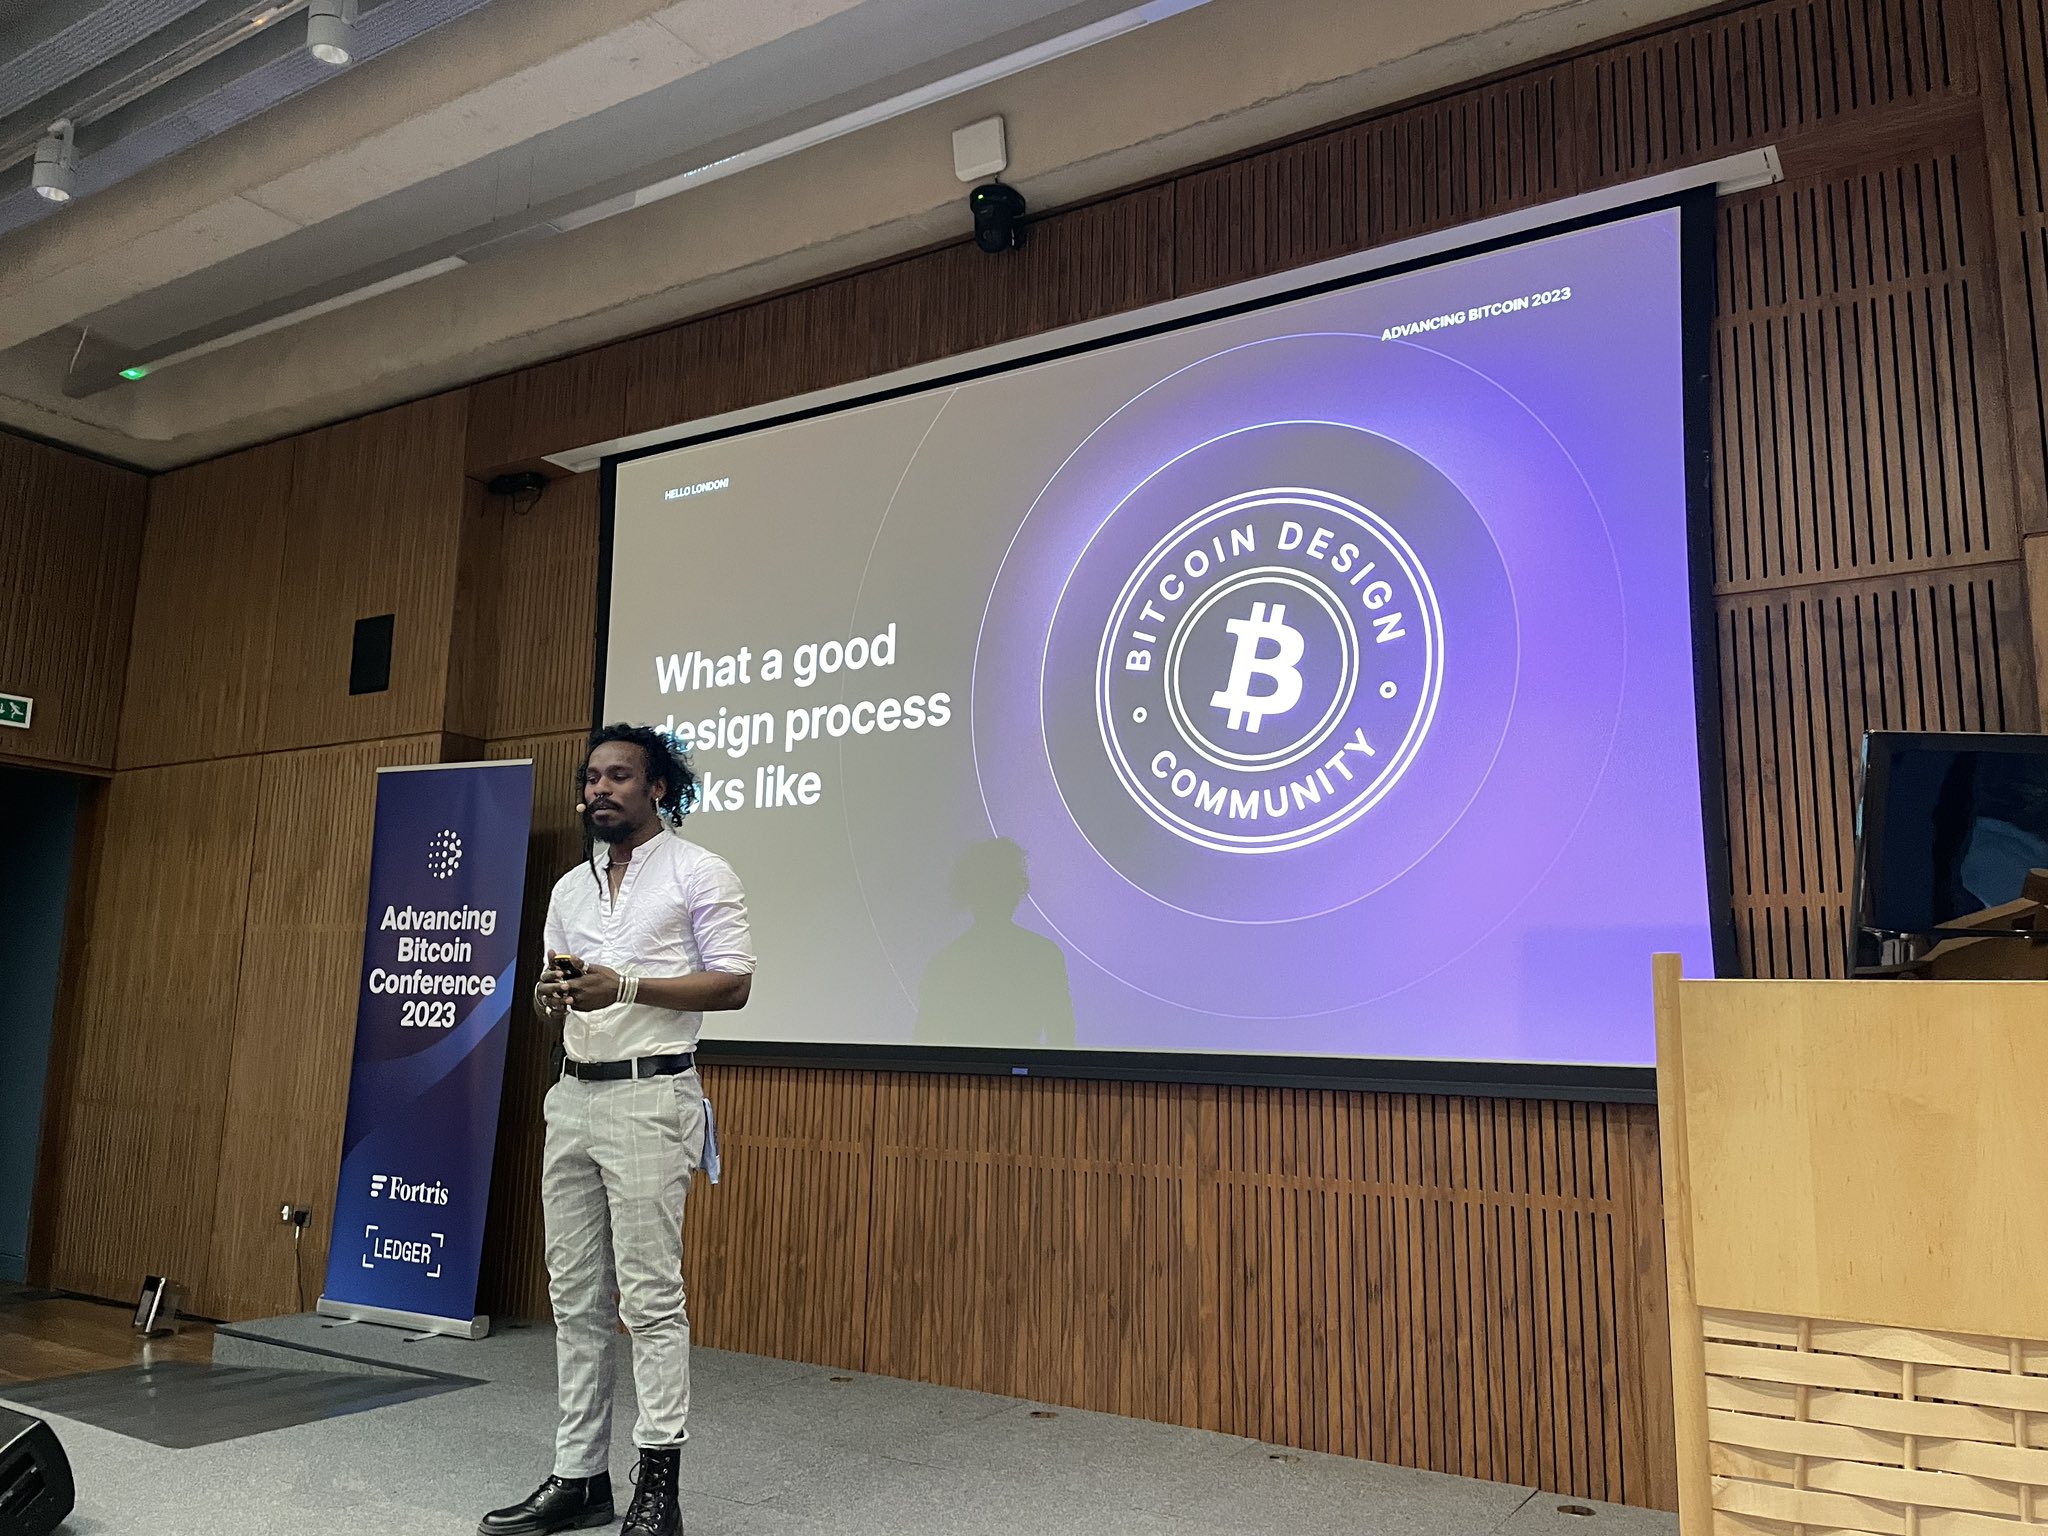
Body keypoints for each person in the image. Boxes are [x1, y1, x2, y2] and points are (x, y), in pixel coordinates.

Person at [480, 724, 754, 1536]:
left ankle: (658, 1488)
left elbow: (733, 985)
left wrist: (627, 987)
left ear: (658, 787)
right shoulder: (570, 888)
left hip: (651, 1096)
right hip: (572, 1096)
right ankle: (579, 1478)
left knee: (650, 1300)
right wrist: (549, 998)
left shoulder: (700, 871)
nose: (600, 789)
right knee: (574, 1299)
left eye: (619, 776)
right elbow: (558, 994)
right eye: (592, 777)